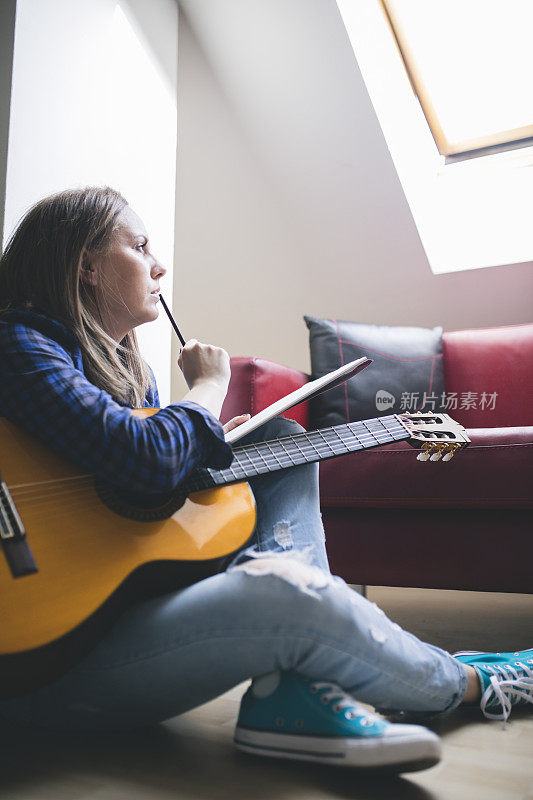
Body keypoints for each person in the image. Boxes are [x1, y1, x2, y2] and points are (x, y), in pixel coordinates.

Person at [0, 187, 530, 774]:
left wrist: (213, 442)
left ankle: (291, 693)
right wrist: (204, 392)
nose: (159, 265)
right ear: (87, 267)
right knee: (283, 589)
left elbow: (141, 494)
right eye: (140, 245)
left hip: (115, 615)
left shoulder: (132, 372)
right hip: (48, 664)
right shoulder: (20, 344)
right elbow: (145, 460)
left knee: (281, 443)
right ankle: (473, 681)